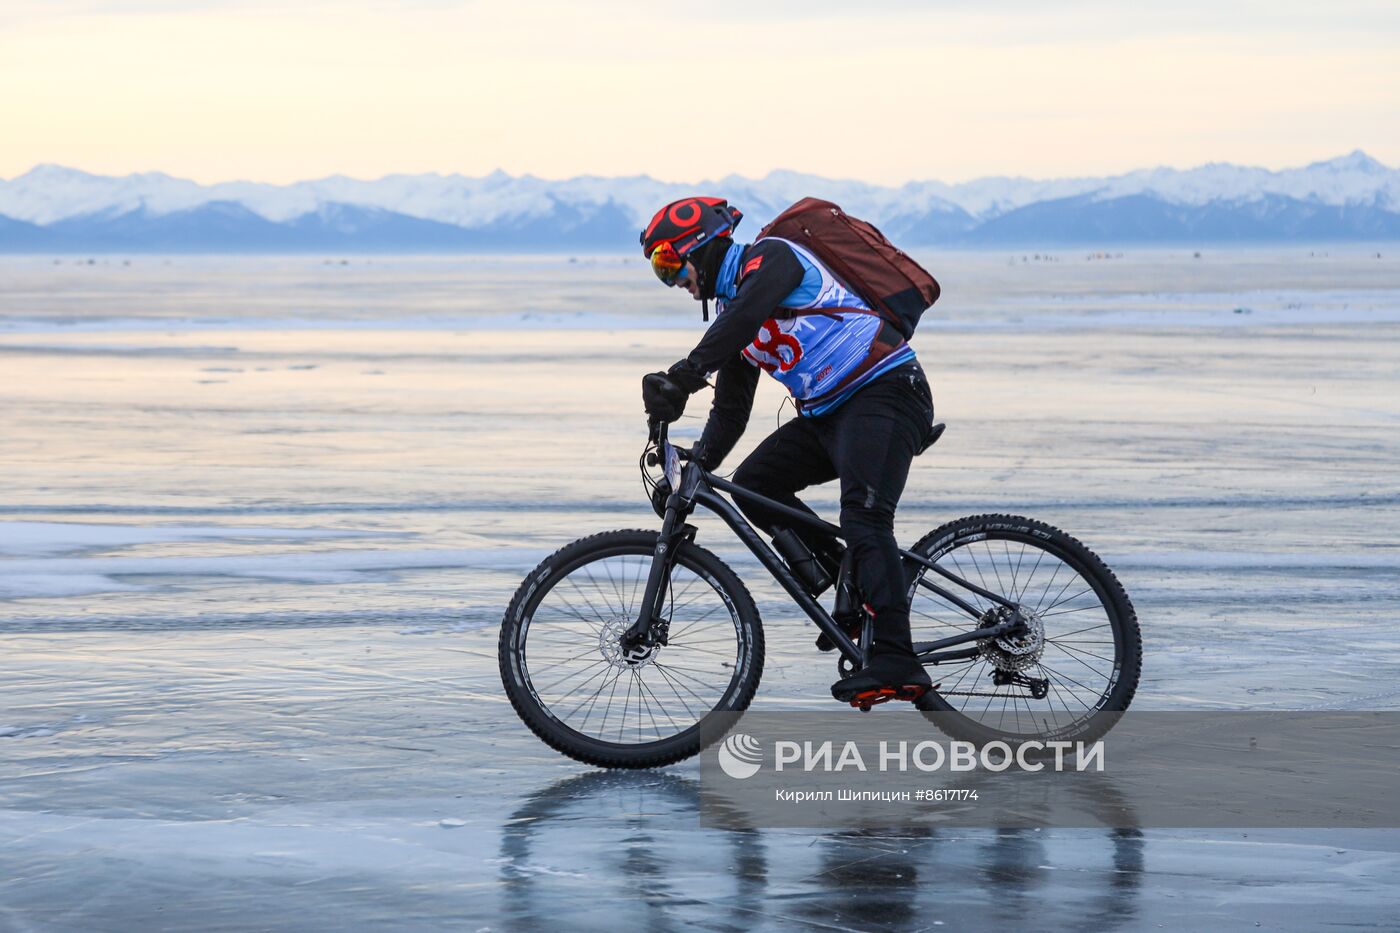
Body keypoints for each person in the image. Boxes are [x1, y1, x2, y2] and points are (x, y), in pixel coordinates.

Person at [638, 196, 937, 704]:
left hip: (886, 392)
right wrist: (694, 471)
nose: (673, 282)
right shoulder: (736, 312)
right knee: (755, 486)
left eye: (669, 264)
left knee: (865, 517)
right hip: (829, 415)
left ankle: (896, 659)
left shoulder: (772, 258)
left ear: (700, 246)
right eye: (660, 272)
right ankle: (851, 575)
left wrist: (685, 374)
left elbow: (750, 311)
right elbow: (731, 413)